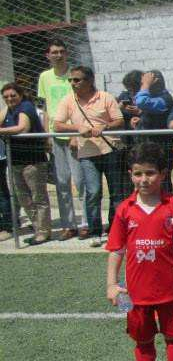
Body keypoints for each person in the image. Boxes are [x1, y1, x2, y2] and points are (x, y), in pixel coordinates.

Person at [105, 141, 173, 361]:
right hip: (136, 291)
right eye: (138, 173)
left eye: (150, 173)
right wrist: (111, 283)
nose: (144, 179)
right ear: (130, 174)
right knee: (142, 338)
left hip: (170, 287)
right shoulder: (124, 209)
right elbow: (117, 249)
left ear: (163, 174)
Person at [53, 65, 125, 246]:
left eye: (77, 80)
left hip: (110, 151)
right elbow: (58, 125)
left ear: (90, 80)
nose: (73, 83)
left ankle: (115, 229)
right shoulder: (68, 100)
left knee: (116, 193)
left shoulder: (106, 97)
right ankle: (95, 231)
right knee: (93, 192)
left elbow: (119, 121)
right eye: (71, 80)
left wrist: (105, 127)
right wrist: (77, 128)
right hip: (86, 154)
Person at [36, 38, 85, 240]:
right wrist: (46, 135)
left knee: (80, 181)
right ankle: (68, 224)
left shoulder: (74, 75)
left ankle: (85, 223)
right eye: (54, 52)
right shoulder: (44, 77)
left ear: (66, 53)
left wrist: (76, 134)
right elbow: (47, 106)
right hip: (55, 136)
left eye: (62, 51)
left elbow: (82, 103)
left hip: (75, 135)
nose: (58, 55)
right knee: (62, 182)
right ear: (48, 55)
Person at [0, 83, 51, 244]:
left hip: (33, 161)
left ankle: (43, 232)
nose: (9, 99)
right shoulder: (8, 109)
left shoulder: (26, 107)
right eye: (6, 96)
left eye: (13, 95)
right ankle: (38, 228)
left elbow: (23, 127)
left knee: (38, 197)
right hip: (15, 161)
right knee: (23, 198)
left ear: (20, 95)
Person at [135, 70, 173, 193]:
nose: (142, 84)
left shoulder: (165, 99)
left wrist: (145, 85)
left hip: (162, 149)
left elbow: (141, 102)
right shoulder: (154, 97)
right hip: (149, 147)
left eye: (146, 80)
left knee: (162, 181)